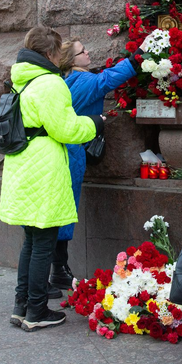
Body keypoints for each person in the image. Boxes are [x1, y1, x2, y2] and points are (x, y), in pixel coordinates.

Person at [0, 26, 105, 332]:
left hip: (22, 166)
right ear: (49, 53)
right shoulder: (50, 82)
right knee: (43, 243)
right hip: (44, 169)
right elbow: (66, 130)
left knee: (31, 242)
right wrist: (94, 124)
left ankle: (21, 306)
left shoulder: (22, 79)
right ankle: (36, 311)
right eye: (59, 51)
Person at [45, 39, 140, 297]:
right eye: (82, 51)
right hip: (71, 154)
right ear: (72, 60)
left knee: (57, 212)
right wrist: (136, 59)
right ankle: (56, 271)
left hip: (59, 153)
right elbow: (105, 81)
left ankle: (56, 271)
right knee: (63, 213)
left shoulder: (66, 81)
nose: (88, 52)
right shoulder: (84, 81)